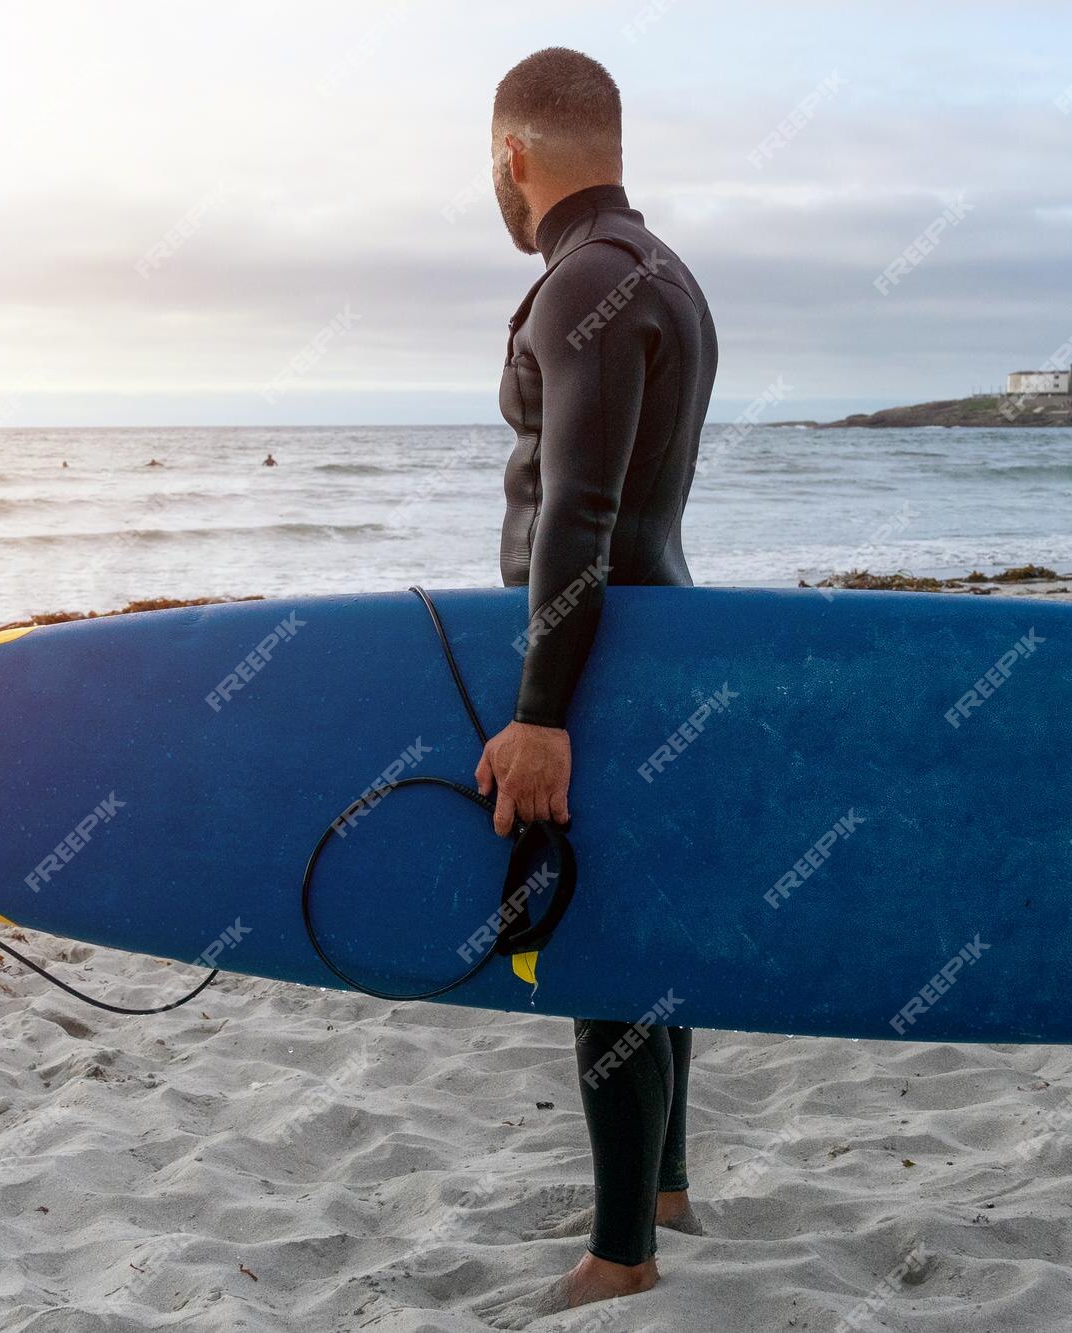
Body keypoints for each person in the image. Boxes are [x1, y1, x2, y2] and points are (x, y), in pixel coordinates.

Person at [472, 47, 717, 1317]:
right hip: (659, 631)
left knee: (603, 939)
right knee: (650, 927)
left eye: (488, 165)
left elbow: (576, 510)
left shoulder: (581, 282)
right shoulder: (661, 271)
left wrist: (538, 713)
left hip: (600, 657)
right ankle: (661, 1188)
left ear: (516, 154)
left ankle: (622, 1254)